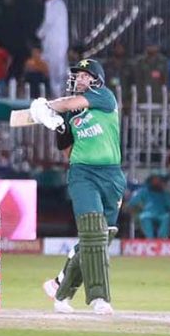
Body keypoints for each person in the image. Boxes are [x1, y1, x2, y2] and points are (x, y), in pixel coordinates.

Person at [35, 58, 127, 315]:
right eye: (77, 75)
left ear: (96, 80)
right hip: (83, 174)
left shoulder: (105, 97)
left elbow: (67, 103)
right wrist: (59, 125)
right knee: (93, 232)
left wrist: (46, 106)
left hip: (112, 175)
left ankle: (60, 291)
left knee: (103, 235)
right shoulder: (67, 113)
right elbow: (68, 151)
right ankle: (100, 298)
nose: (79, 79)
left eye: (85, 75)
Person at [127, 174, 170, 239]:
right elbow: (132, 202)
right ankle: (150, 239)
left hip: (162, 214)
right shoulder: (144, 191)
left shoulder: (165, 194)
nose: (158, 182)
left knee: (167, 217)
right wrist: (137, 210)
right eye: (156, 180)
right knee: (144, 217)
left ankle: (161, 238)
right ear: (151, 181)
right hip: (148, 213)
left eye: (160, 180)